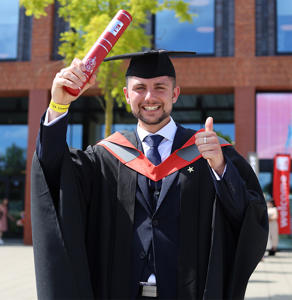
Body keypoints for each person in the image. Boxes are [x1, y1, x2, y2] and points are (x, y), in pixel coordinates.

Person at [31, 50, 268, 300]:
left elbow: (250, 217)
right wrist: (59, 104)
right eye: (140, 88)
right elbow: (53, 172)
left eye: (160, 87)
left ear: (175, 93)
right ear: (126, 95)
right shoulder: (106, 157)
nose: (149, 97)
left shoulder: (208, 152)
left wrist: (221, 169)